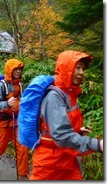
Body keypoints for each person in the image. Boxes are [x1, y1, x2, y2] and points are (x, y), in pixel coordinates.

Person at [29, 50, 103, 180]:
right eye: (77, 67)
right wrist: (97, 144)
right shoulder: (54, 96)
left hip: (67, 159)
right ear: (66, 68)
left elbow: (58, 126)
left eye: (83, 69)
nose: (81, 72)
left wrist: (77, 130)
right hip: (49, 164)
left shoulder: (69, 93)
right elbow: (61, 135)